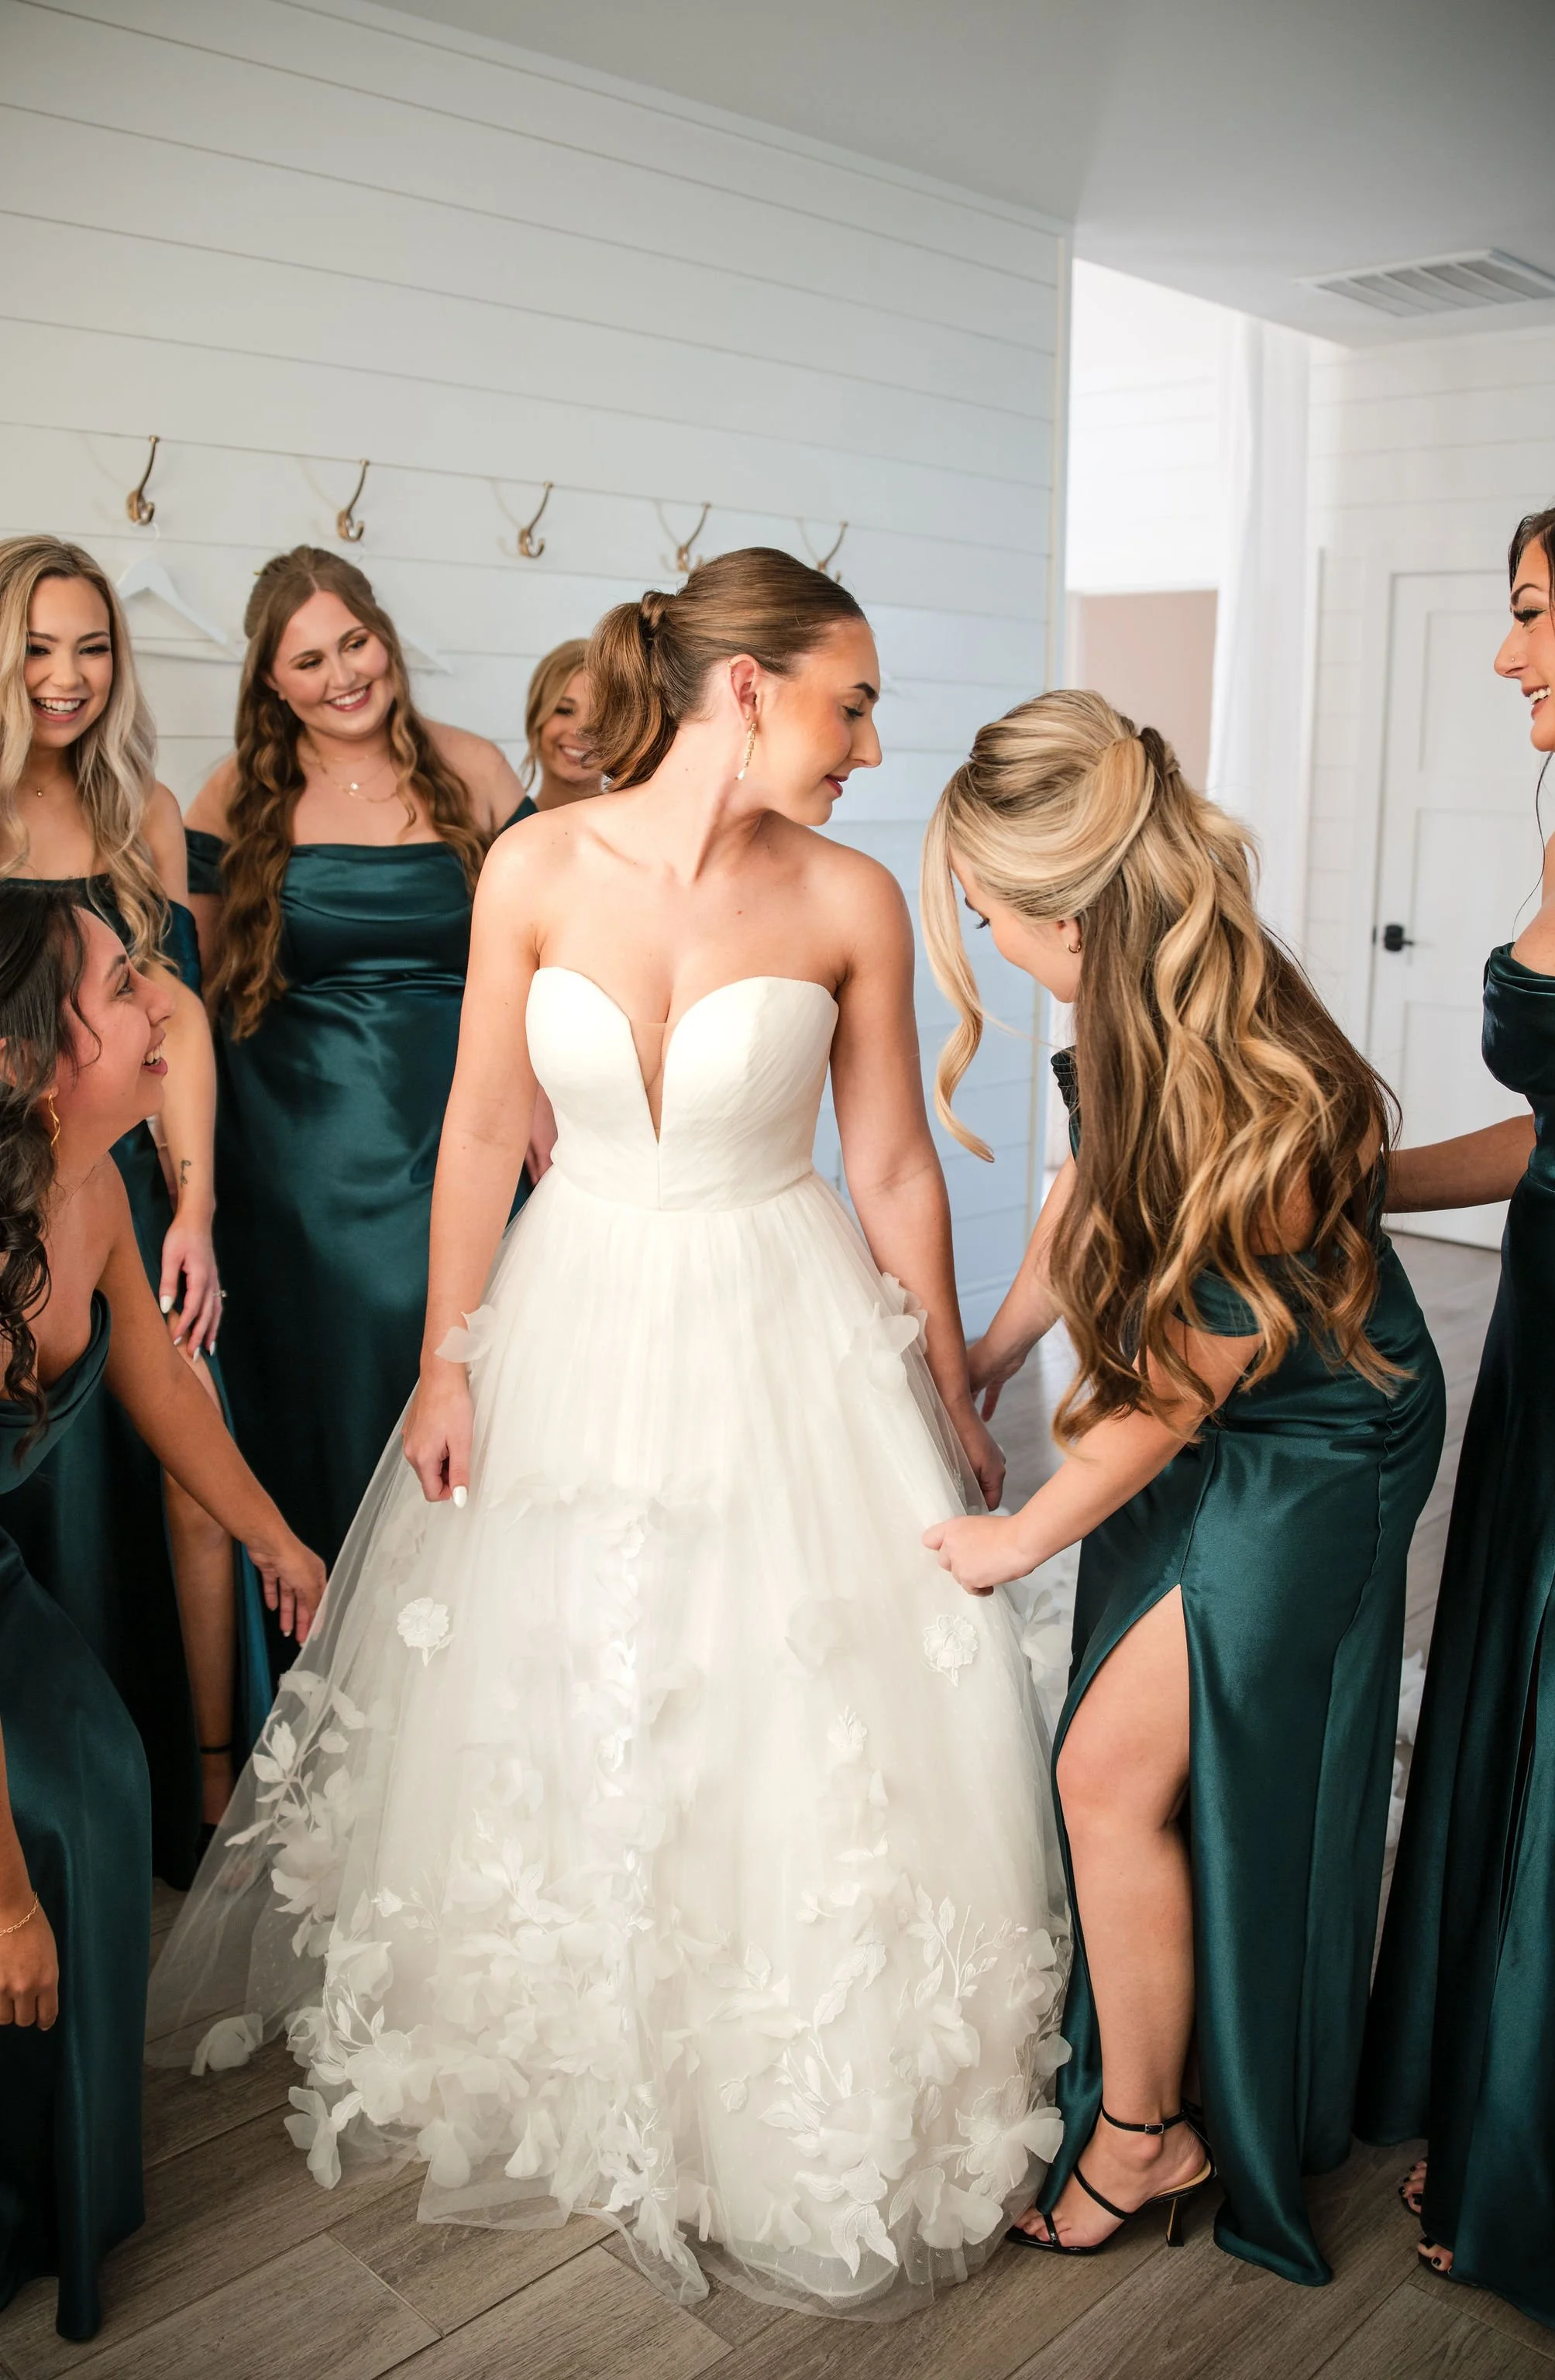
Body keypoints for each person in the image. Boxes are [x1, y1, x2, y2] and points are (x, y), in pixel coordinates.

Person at [149, 549, 1068, 2319]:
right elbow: (485, 1123)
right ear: (744, 690)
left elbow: (885, 1165)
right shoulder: (533, 862)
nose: (870, 742)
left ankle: (764, 2060)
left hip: (777, 1314)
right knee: (575, 1660)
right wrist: (443, 1355)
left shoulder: (848, 895)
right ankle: (571, 2032)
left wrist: (947, 1381)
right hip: (569, 1312)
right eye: (847, 700)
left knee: (769, 1677)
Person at [919, 692, 1444, 2285]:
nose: (985, 942)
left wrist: (1016, 1535)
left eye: (988, 916)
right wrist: (992, 1355)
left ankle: (1149, 2134)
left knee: (1102, 1773)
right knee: (1128, 1766)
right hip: (1221, 1401)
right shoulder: (1136, 999)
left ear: (1064, 914)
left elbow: (1178, 1384)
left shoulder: (1223, 1050)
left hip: (1318, 1431)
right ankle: (1162, 2096)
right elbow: (1086, 1206)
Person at [0, 886, 324, 2340]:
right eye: (125, 988)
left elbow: (151, 1382)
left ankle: (52, 2183)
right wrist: (3, 1897)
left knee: (109, 1783)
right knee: (41, 1843)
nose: (162, 1009)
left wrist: (276, 1539)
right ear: (25, 1051)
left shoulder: (86, 1180)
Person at [1357, 492, 1555, 2334]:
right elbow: (1554, 1132)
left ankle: (1536, 2138)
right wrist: (1356, 1176)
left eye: (1526, 612)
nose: (1505, 650)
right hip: (1552, 1313)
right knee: (1519, 1664)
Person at [0, 534, 270, 1876]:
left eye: (93, 645)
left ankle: (206, 1785)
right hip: (13, 1197)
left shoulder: (143, 812)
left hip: (130, 1176)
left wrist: (196, 1202)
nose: (68, 676)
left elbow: (176, 1018)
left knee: (195, 1449)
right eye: (40, 647)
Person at [184, 548, 528, 1579]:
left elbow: (557, 953)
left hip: (464, 1122)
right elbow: (183, 991)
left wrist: (548, 1093)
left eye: (355, 642)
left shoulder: (473, 768)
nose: (342, 676)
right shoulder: (235, 793)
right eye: (307, 661)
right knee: (330, 1387)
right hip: (295, 1156)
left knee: (474, 1372)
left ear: (385, 637)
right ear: (269, 682)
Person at [521, 638, 602, 809]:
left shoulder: (646, 832)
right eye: (564, 710)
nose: (580, 731)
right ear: (536, 717)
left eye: (601, 715)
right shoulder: (500, 831)